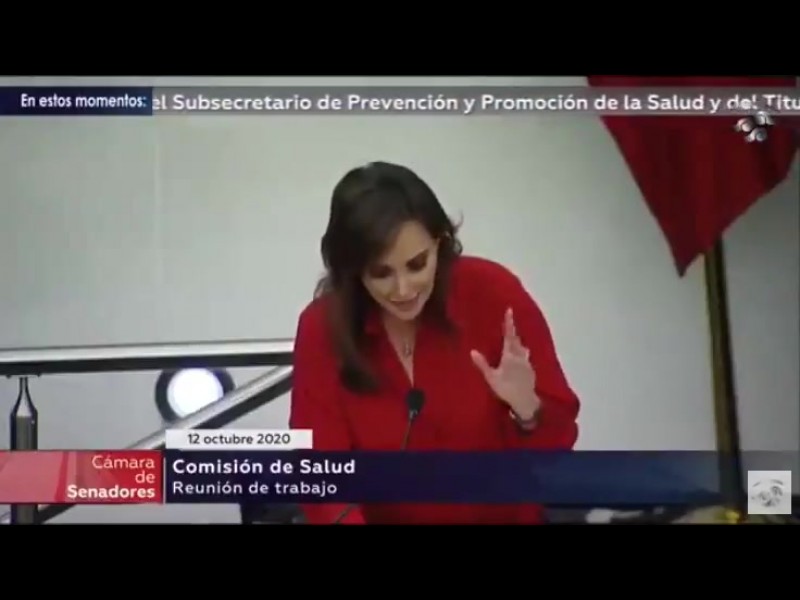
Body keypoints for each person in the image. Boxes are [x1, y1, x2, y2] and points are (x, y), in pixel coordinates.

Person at [289, 161, 580, 524]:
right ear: (353, 270)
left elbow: (557, 448)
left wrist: (527, 409)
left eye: (417, 264)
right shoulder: (322, 327)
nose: (403, 289)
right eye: (381, 273)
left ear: (439, 243)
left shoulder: (492, 293)